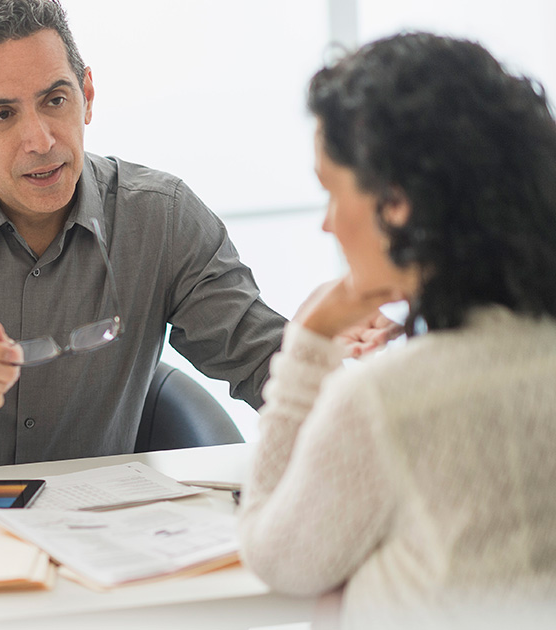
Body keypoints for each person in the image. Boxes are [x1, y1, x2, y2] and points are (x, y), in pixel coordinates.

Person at [0, 0, 383, 473]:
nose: (41, 139)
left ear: (88, 93)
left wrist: (348, 355)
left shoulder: (162, 217)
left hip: (101, 542)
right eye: (3, 115)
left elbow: (264, 361)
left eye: (55, 100)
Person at [236, 33, 556, 629]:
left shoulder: (387, 400)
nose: (328, 224)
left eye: (332, 190)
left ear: (397, 202)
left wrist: (308, 341)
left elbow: (275, 556)